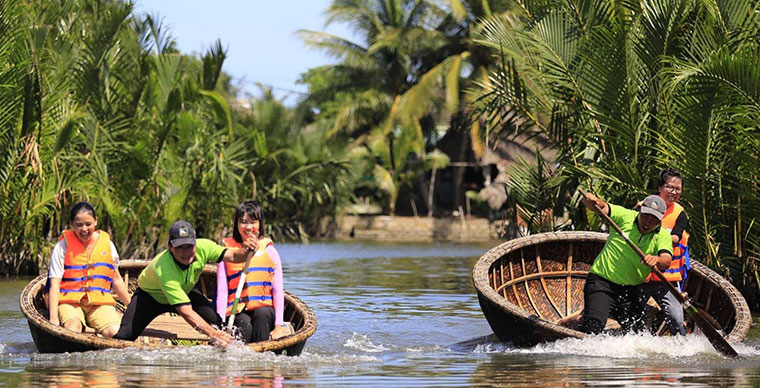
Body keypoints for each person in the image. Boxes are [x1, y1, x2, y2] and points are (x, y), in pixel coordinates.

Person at [113, 220, 258, 347]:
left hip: (185, 291)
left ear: (196, 243)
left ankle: (222, 346)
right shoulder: (164, 269)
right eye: (180, 247)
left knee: (215, 321)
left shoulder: (204, 247)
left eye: (189, 246)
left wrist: (246, 251)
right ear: (170, 247)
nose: (186, 252)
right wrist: (213, 334)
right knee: (124, 336)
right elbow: (186, 312)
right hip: (151, 297)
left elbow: (233, 255)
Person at [577, 192, 674, 335]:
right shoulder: (625, 216)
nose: (648, 222)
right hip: (602, 283)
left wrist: (656, 259)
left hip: (631, 291)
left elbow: (666, 260)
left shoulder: (663, 235)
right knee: (593, 327)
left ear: (660, 220)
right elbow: (603, 207)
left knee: (636, 335)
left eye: (654, 220)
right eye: (646, 216)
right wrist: (593, 201)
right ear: (640, 210)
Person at [47, 201, 131, 338]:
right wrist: (53, 318)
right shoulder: (62, 246)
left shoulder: (107, 245)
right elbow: (55, 283)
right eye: (79, 225)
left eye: (88, 224)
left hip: (99, 303)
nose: (84, 229)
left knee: (115, 332)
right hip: (70, 302)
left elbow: (116, 280)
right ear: (72, 224)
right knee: (73, 328)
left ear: (96, 221)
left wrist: (131, 307)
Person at [216, 201, 290, 343]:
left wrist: (279, 326)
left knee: (261, 315)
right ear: (236, 224)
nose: (248, 227)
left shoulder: (270, 251)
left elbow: (277, 290)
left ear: (260, 224)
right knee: (244, 324)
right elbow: (222, 291)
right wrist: (221, 326)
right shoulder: (226, 253)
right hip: (237, 310)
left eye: (253, 222)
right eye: (243, 222)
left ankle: (262, 355)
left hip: (264, 309)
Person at [638, 168, 690, 335]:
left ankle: (680, 344)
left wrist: (659, 236)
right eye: (670, 187)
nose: (674, 192)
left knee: (676, 317)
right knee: (632, 313)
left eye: (678, 189)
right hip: (641, 274)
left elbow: (675, 237)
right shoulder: (643, 206)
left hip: (665, 277)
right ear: (660, 188)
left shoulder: (679, 213)